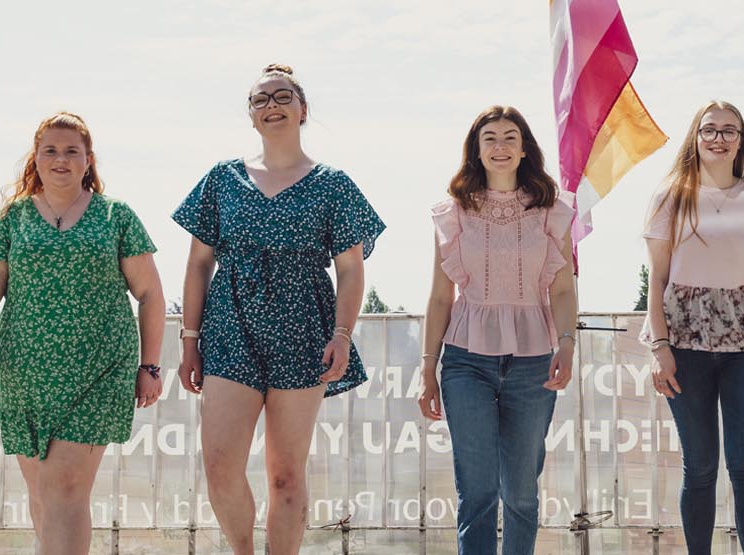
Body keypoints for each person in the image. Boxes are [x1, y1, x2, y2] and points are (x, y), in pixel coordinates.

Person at [173, 64, 385, 555]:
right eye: (260, 99)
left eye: (282, 96)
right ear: (250, 116)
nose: (271, 105)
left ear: (302, 109)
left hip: (304, 329)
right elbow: (198, 262)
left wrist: (343, 334)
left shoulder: (334, 184)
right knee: (220, 464)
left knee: (286, 474)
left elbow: (351, 270)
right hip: (229, 328)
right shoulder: (221, 179)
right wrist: (188, 340)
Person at [0, 111, 165, 554]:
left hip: (100, 369)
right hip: (25, 374)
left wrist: (150, 364)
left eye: (72, 151)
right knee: (44, 497)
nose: (61, 159)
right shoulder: (10, 219)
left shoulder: (117, 216)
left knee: (64, 489)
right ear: (35, 158)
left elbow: (150, 294)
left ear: (88, 160)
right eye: (50, 150)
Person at [415, 105, 577, 554]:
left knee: (521, 491)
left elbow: (563, 290)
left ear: (525, 149)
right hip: (466, 360)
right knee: (478, 490)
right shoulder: (452, 214)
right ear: (476, 150)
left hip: (534, 362)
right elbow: (440, 296)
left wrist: (567, 343)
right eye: (490, 138)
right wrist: (428, 368)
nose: (500, 146)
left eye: (510, 137)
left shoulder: (552, 210)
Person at [643, 100, 744, 555]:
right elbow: (658, 280)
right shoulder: (670, 197)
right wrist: (659, 347)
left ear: (741, 140)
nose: (719, 138)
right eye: (710, 130)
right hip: (684, 347)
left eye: (730, 130)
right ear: (696, 137)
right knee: (700, 467)